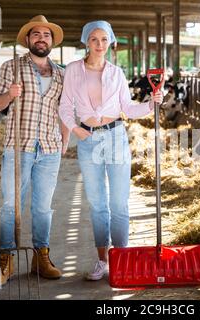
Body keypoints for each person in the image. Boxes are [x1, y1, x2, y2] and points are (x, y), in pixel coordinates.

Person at [59, 20, 163, 281]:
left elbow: (127, 109)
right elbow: (64, 106)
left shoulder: (117, 73)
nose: (99, 45)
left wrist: (151, 104)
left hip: (115, 137)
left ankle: (122, 258)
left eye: (104, 40)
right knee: (97, 204)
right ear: (86, 41)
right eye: (94, 39)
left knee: (118, 203)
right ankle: (102, 260)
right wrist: (76, 129)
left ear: (111, 42)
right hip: (88, 140)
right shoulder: (73, 70)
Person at [0, 15, 69, 285]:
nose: (41, 39)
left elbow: (64, 111)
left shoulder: (61, 73)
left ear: (52, 42)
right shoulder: (11, 67)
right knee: (10, 206)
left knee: (43, 208)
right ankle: (6, 259)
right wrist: (9, 95)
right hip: (18, 147)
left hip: (49, 149)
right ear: (27, 40)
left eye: (46, 35)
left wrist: (65, 140)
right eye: (36, 34)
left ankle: (41, 256)